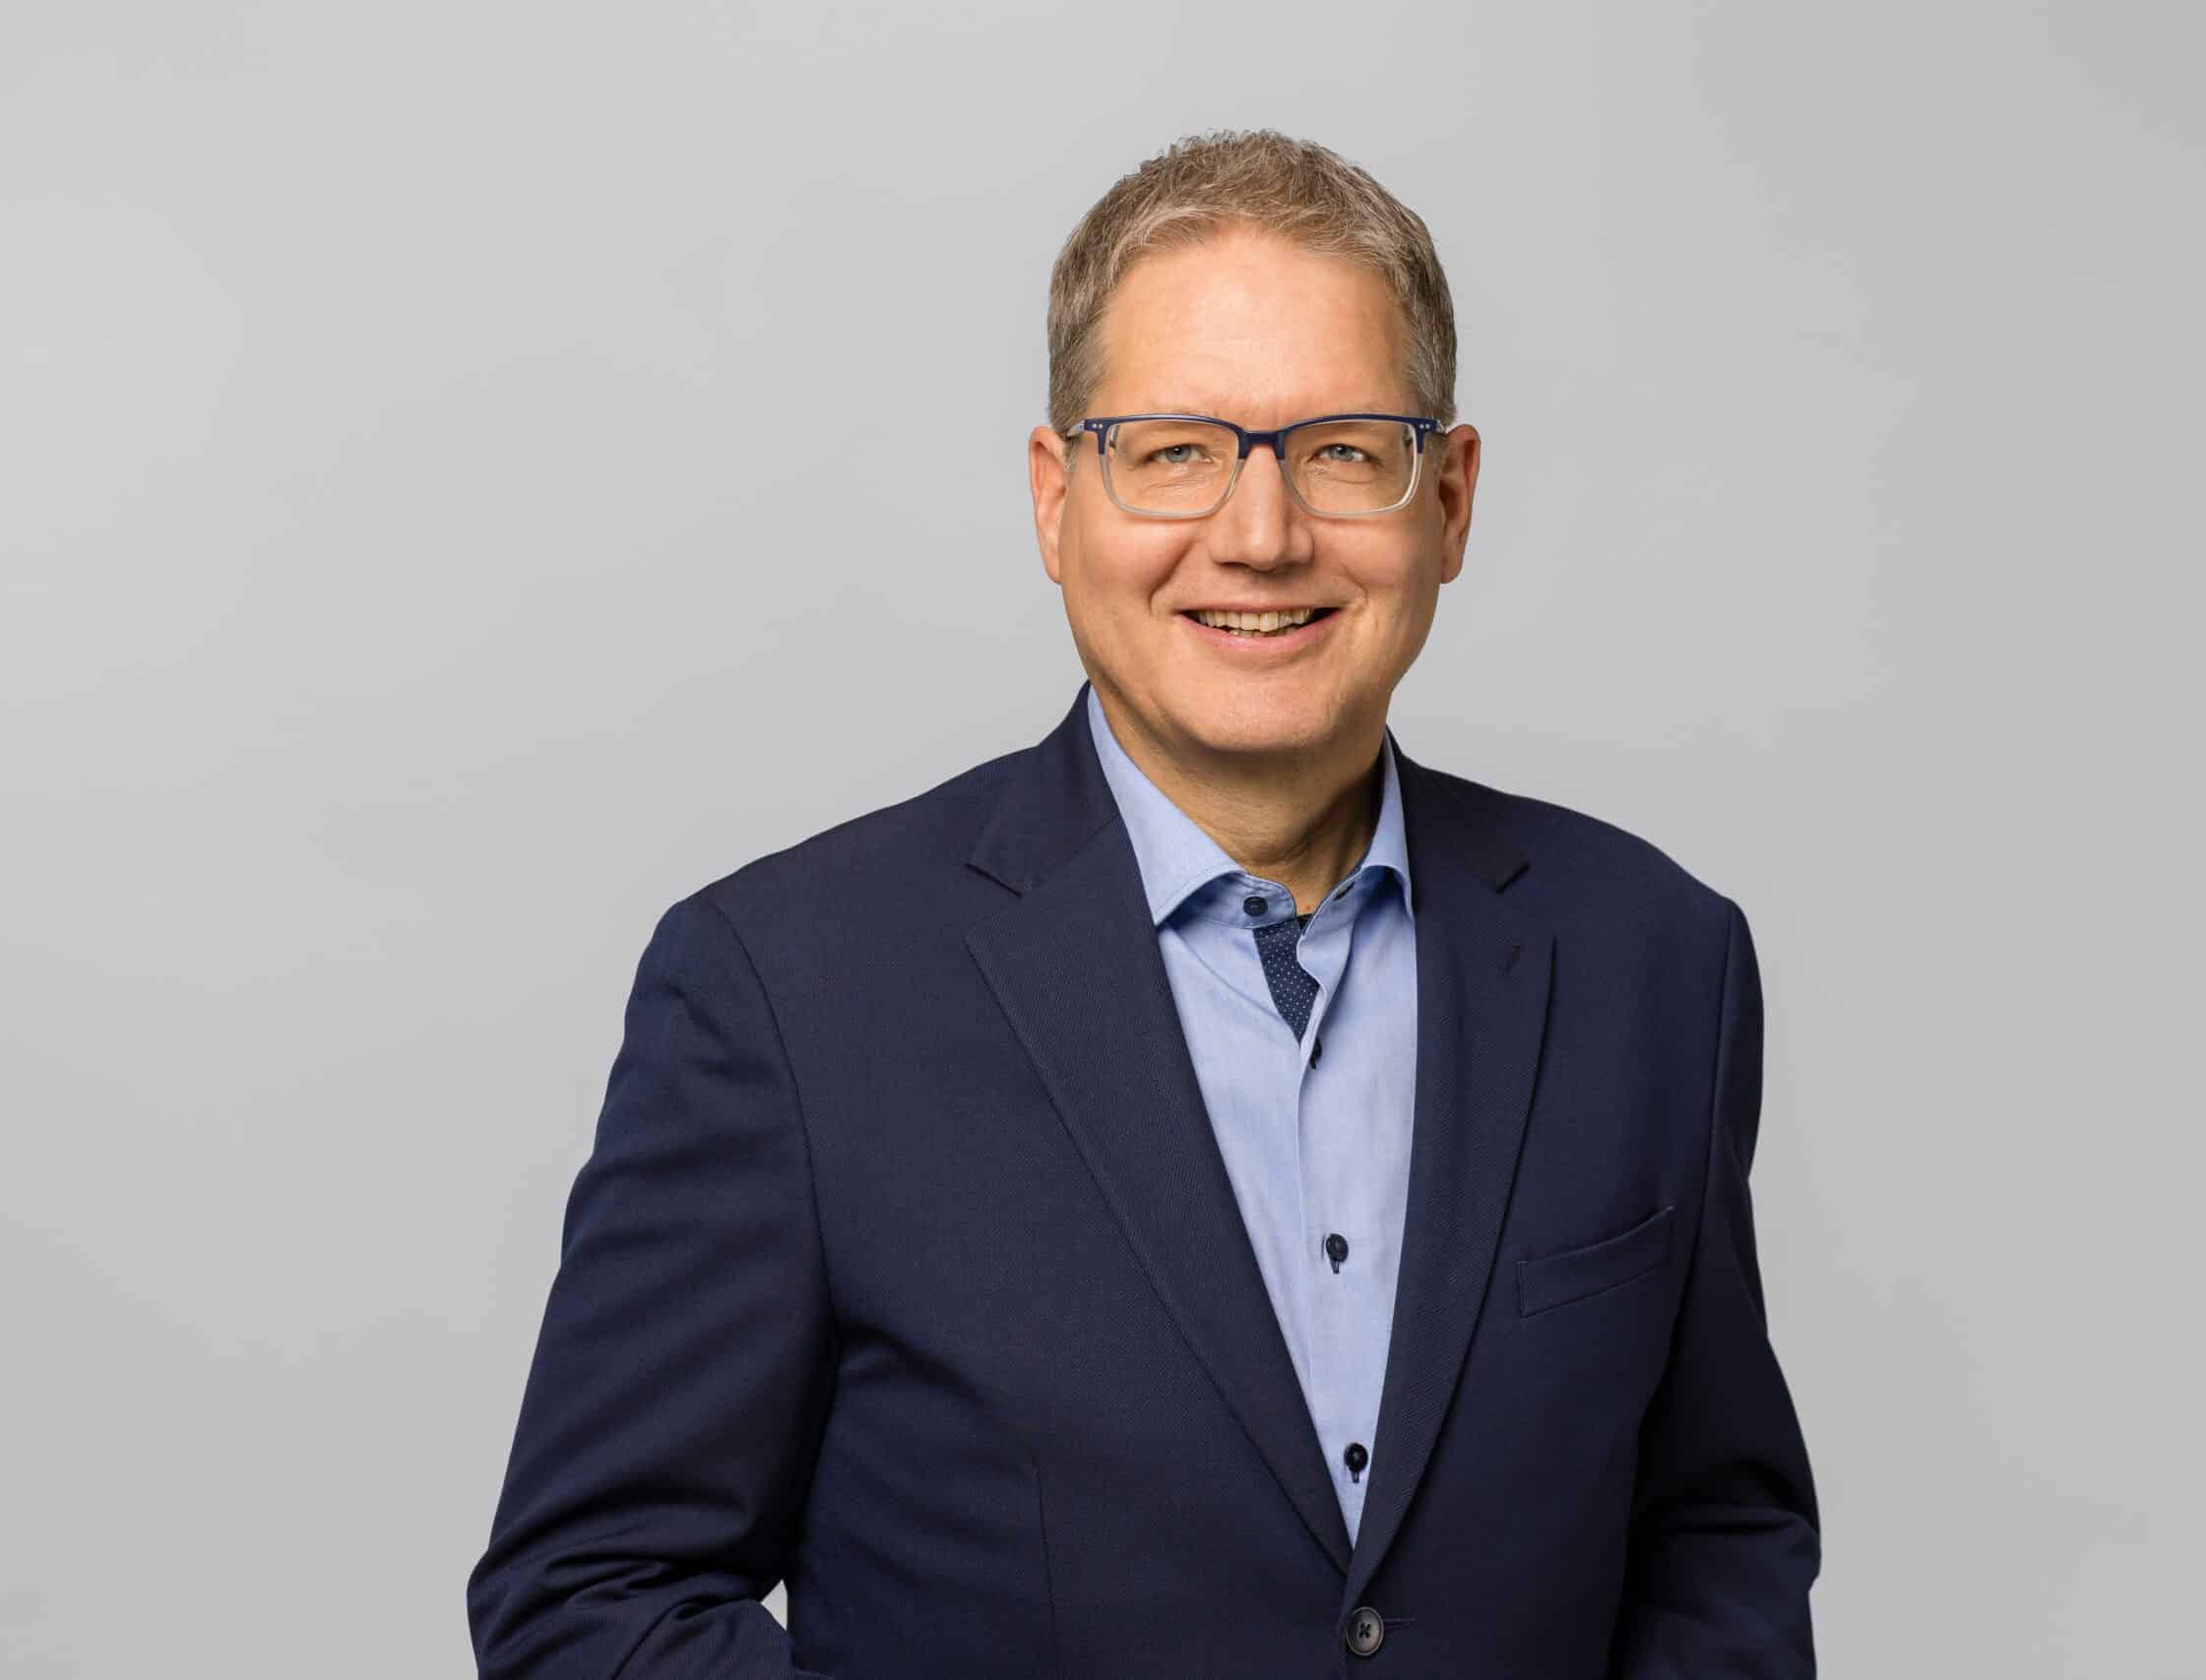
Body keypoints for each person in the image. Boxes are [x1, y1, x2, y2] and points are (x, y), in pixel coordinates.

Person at [467, 127, 1821, 1678]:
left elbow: (1715, 1541)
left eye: (1344, 450)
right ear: (1058, 502)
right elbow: (594, 1599)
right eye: (1173, 450)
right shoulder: (788, 992)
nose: (1261, 535)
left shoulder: (1655, 961)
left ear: (1448, 502)